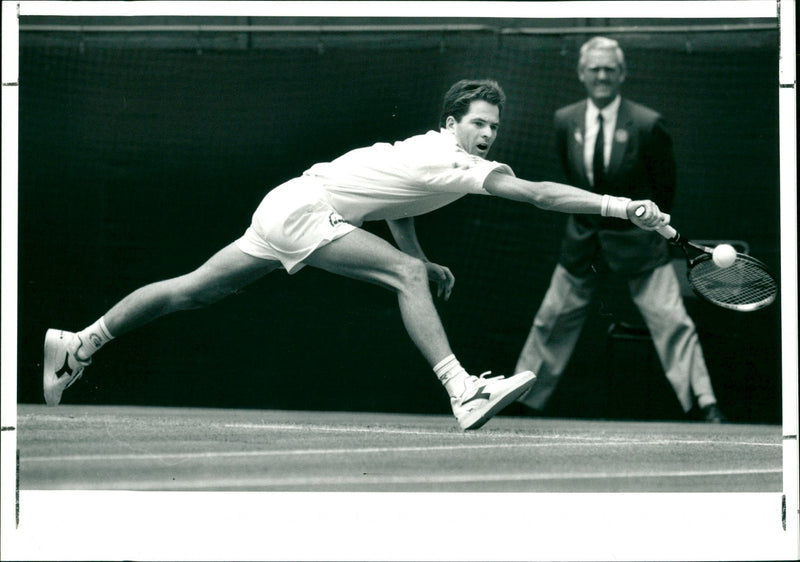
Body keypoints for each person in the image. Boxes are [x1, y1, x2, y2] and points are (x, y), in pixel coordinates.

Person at [43, 78, 668, 431]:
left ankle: (79, 342)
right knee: (404, 275)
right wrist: (620, 206)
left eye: (493, 129)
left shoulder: (430, 153)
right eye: (478, 124)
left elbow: (395, 204)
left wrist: (424, 255)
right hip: (304, 208)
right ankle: (463, 390)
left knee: (192, 289)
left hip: (289, 202)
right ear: (452, 123)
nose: (486, 135)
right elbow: (534, 195)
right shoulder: (450, 157)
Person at [514, 38, 726, 422]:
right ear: (581, 74)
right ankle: (522, 400)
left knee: (673, 322)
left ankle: (704, 404)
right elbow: (571, 181)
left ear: (622, 74)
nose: (601, 76)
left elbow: (665, 189)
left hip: (639, 243)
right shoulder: (565, 120)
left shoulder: (648, 124)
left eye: (609, 69)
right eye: (594, 69)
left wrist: (646, 220)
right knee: (549, 322)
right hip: (582, 241)